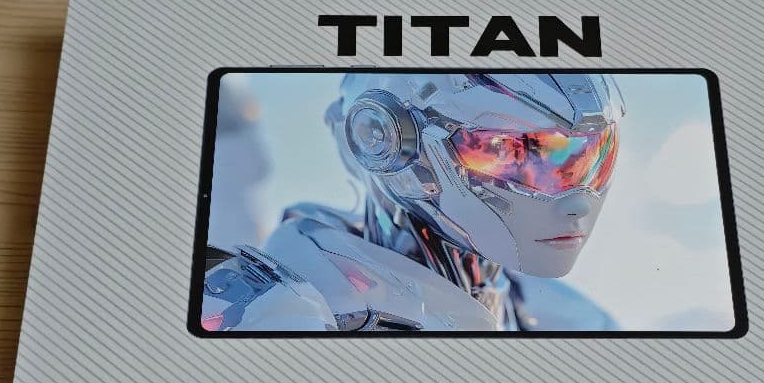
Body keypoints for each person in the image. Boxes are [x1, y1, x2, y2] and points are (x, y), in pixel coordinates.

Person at [200, 72, 624, 332]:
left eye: (585, 156)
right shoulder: (264, 310)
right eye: (504, 150)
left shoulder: (570, 319)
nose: (578, 203)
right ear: (382, 141)